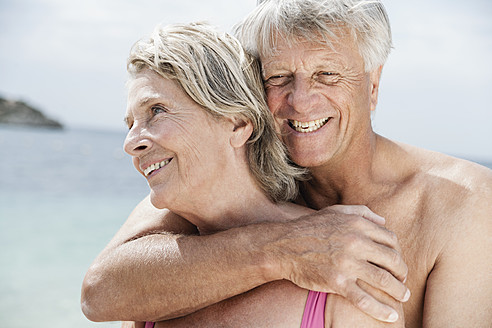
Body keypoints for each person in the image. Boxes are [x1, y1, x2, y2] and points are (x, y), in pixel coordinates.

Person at [82, 0, 492, 327]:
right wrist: (283, 249)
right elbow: (102, 290)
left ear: (373, 84)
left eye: (327, 74)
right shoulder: (224, 185)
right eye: (278, 77)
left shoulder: (464, 204)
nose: (300, 100)